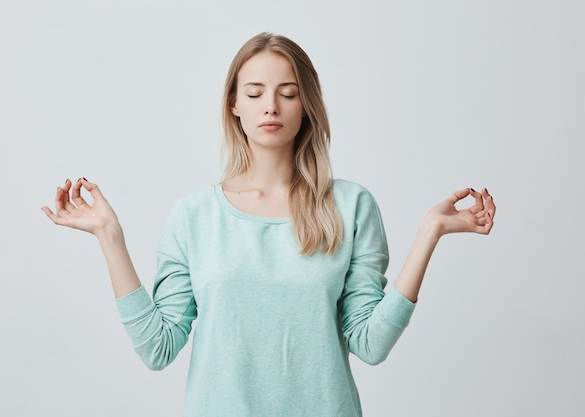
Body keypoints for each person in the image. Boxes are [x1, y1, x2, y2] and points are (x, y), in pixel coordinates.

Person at [42, 32, 495, 417]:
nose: (271, 106)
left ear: (307, 105)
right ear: (234, 104)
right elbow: (158, 348)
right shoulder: (194, 216)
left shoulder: (352, 206)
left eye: (288, 92)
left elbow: (370, 344)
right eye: (255, 93)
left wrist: (428, 235)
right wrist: (109, 236)